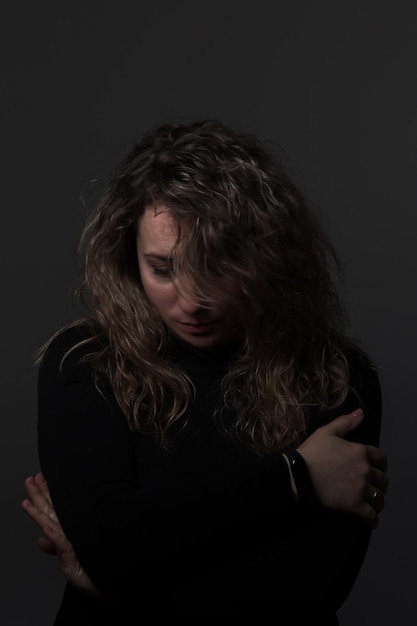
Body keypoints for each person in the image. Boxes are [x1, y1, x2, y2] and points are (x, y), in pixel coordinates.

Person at [21, 119, 388, 624]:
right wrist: (295, 477)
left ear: (267, 257)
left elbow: (313, 589)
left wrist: (122, 589)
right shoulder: (87, 362)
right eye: (164, 268)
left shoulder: (333, 376)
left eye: (215, 266)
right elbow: (114, 554)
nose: (191, 301)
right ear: (129, 257)